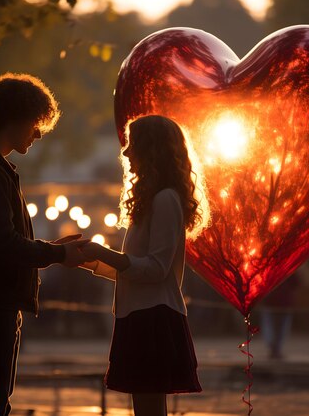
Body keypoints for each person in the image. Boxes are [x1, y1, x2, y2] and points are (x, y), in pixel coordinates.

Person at [0, 72, 88, 416]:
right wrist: (57, 254)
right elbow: (0, 243)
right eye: (36, 123)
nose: (38, 133)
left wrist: (53, 248)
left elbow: (1, 240)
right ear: (16, 117)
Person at [79, 115, 205, 416]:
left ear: (151, 150)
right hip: (143, 314)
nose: (125, 153)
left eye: (132, 145)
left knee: (149, 411)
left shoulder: (165, 199)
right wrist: (87, 259)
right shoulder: (156, 199)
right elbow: (138, 272)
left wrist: (102, 252)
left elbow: (155, 269)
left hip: (153, 319)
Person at [259, 272, 299, 360]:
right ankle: (276, 348)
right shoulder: (290, 266)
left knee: (270, 326)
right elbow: (296, 282)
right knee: (282, 328)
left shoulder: (268, 269)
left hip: (270, 300)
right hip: (285, 302)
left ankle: (273, 346)